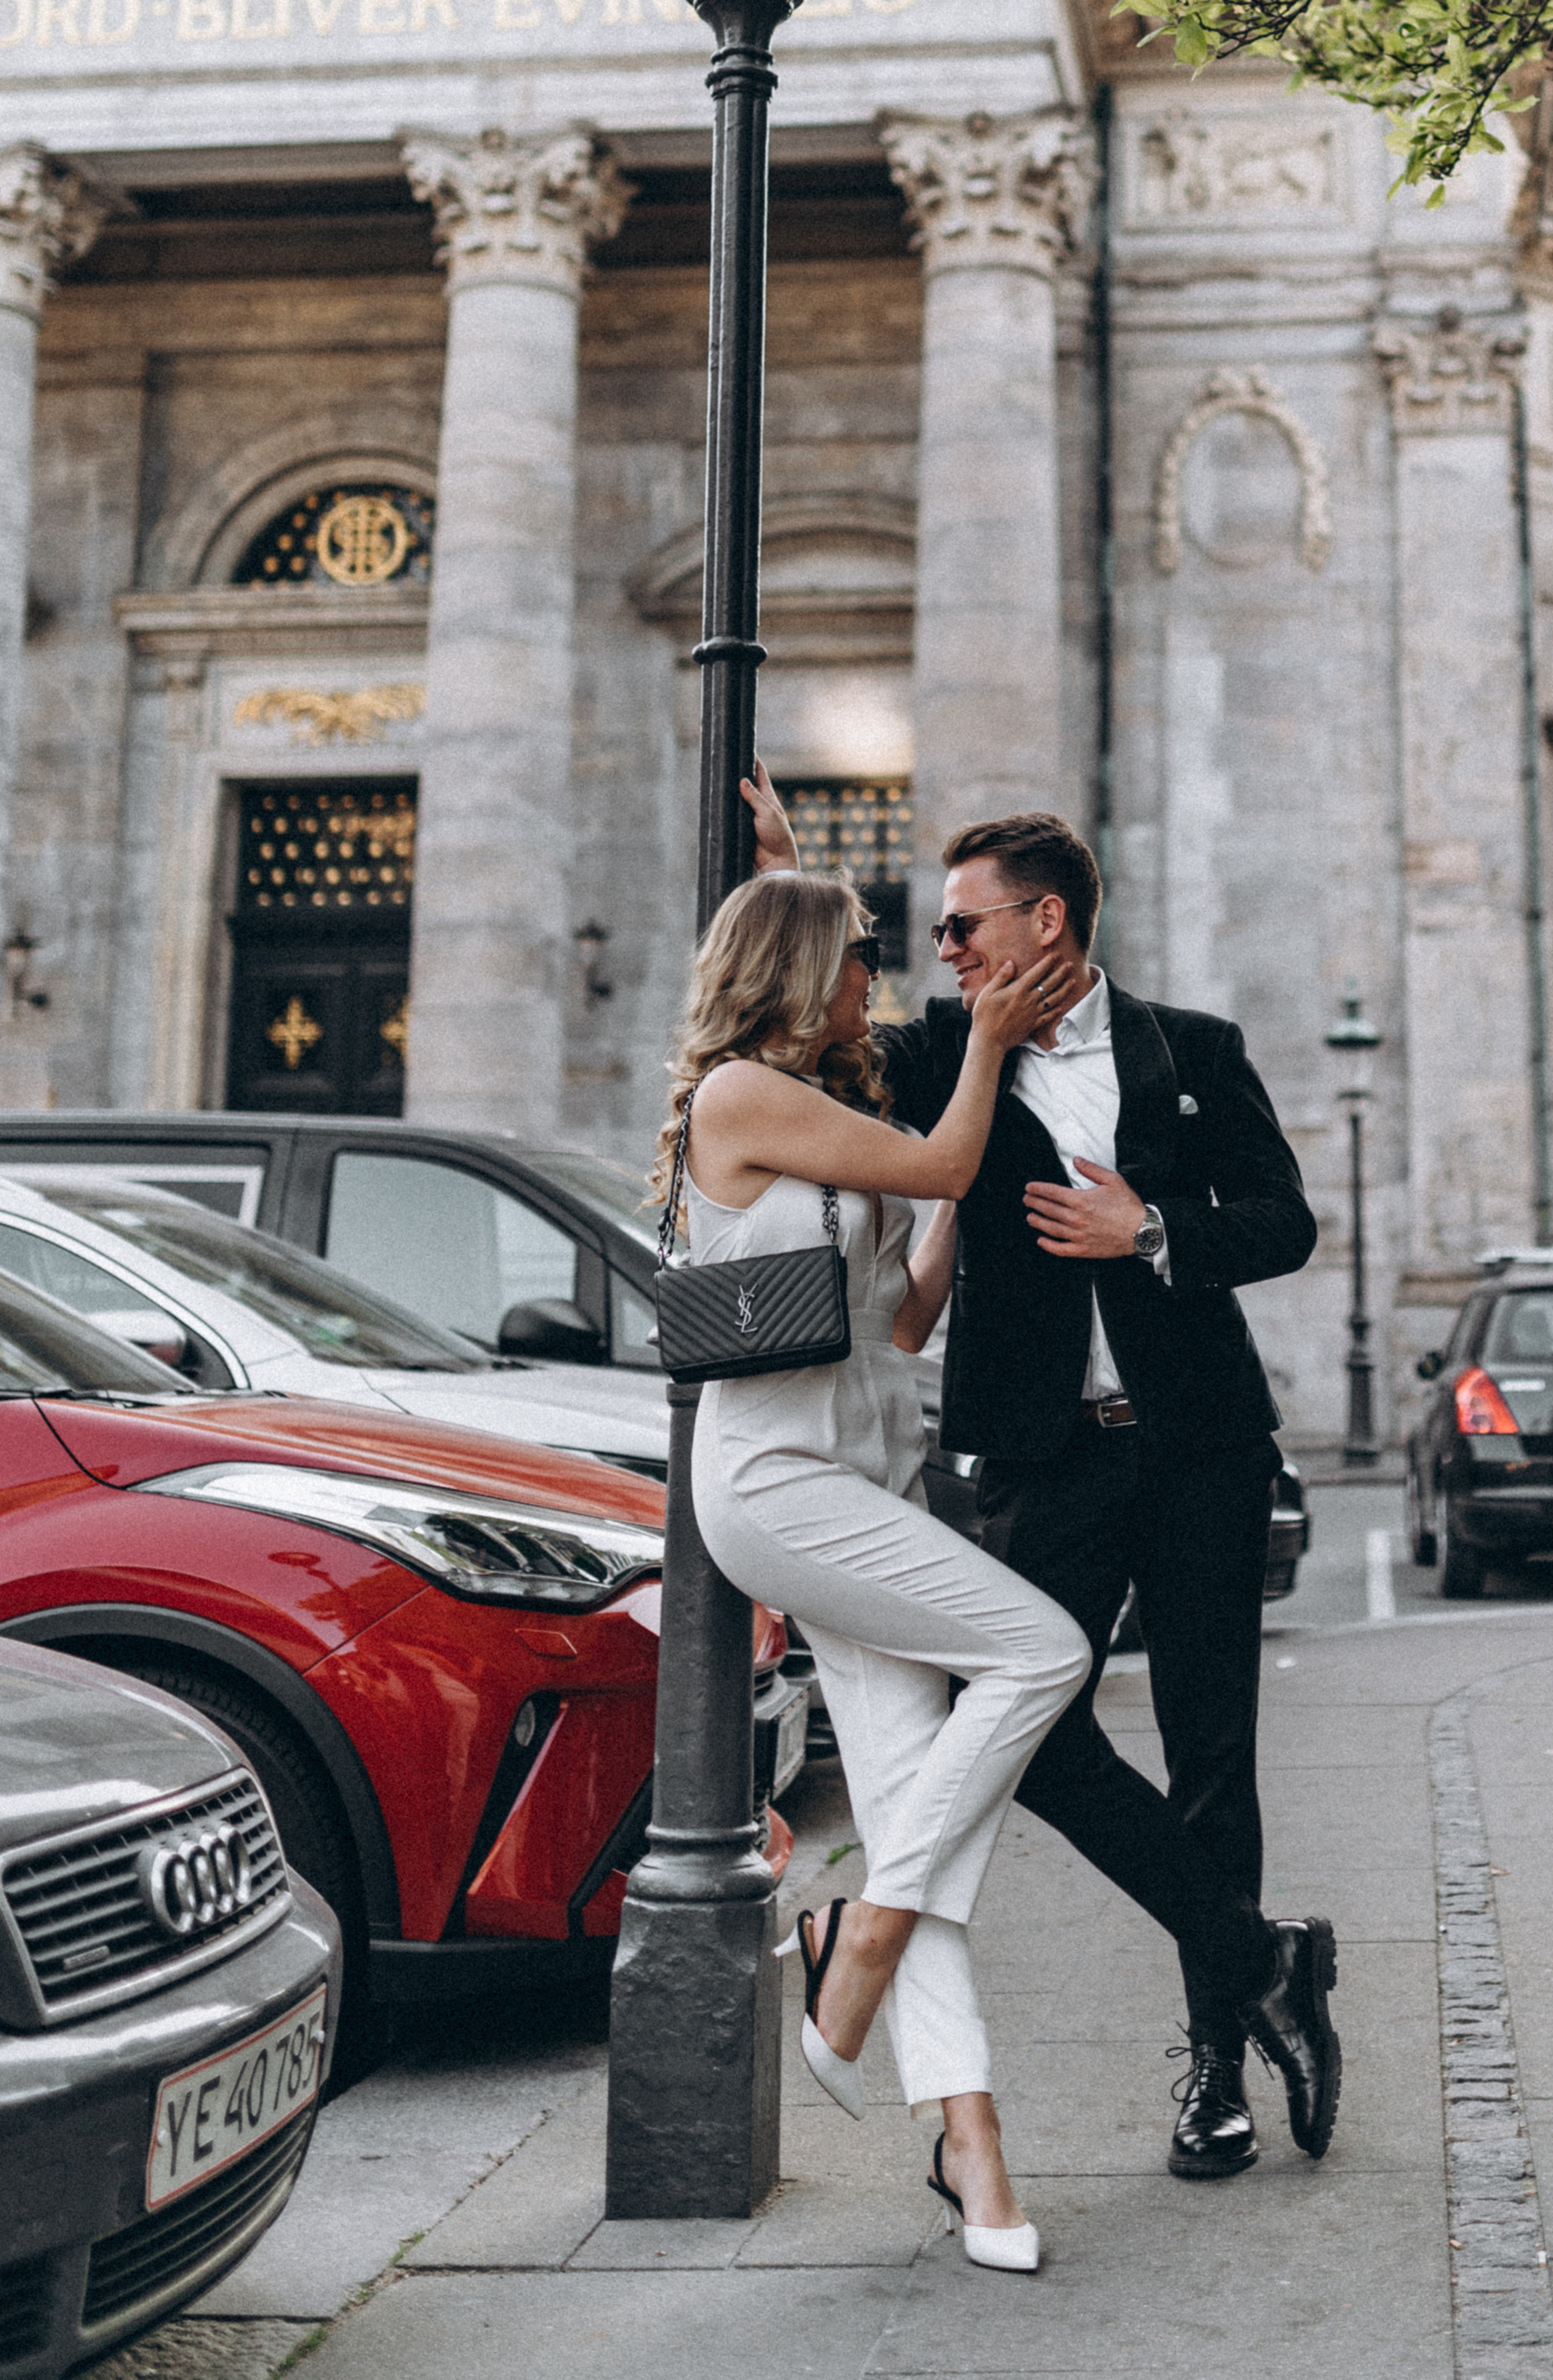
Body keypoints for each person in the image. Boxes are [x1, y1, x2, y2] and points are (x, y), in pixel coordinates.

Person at [745, 774, 1341, 2184]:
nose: (941, 949)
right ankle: (1260, 1957)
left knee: (1212, 1755)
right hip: (1038, 1457)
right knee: (1029, 1730)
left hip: (1197, 1448)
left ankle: (1216, 2073)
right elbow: (797, 1022)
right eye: (935, 933)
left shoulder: (1192, 1047)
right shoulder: (941, 1055)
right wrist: (778, 868)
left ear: (1046, 918)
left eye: (963, 926)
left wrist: (1151, 1230)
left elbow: (1284, 1221)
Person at [660, 863, 1093, 2272]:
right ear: (796, 971)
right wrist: (983, 1058)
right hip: (778, 1485)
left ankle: (973, 2153)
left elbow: (894, 1327)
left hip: (866, 1481)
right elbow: (944, 1158)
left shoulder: (831, 1113)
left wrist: (966, 1195)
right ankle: (863, 1931)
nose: (877, 982)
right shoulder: (736, 1098)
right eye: (857, 958)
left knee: (919, 1805)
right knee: (1042, 1652)